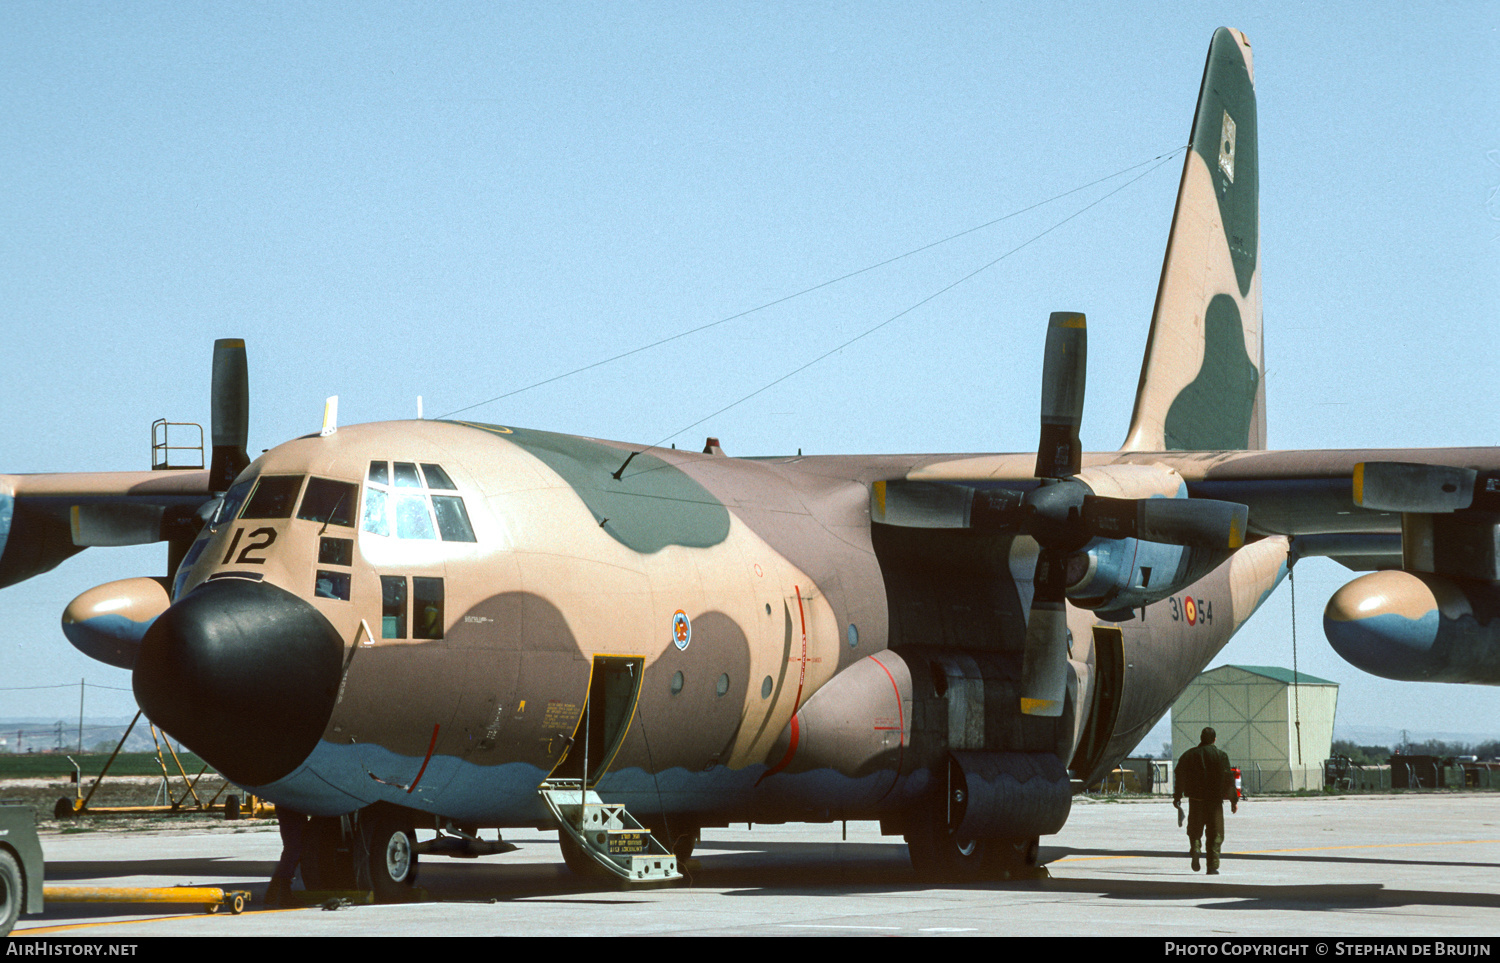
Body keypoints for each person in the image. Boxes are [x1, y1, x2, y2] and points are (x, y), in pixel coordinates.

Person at [1173, 726, 1237, 874]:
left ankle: (1196, 848)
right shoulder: (1221, 756)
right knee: (1216, 833)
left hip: (1196, 801)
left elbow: (1179, 776)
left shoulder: (1189, 755)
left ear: (1201, 738)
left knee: (1195, 830)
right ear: (1214, 739)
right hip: (1214, 802)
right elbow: (1229, 780)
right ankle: (1212, 866)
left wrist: (1177, 797)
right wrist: (1234, 801)